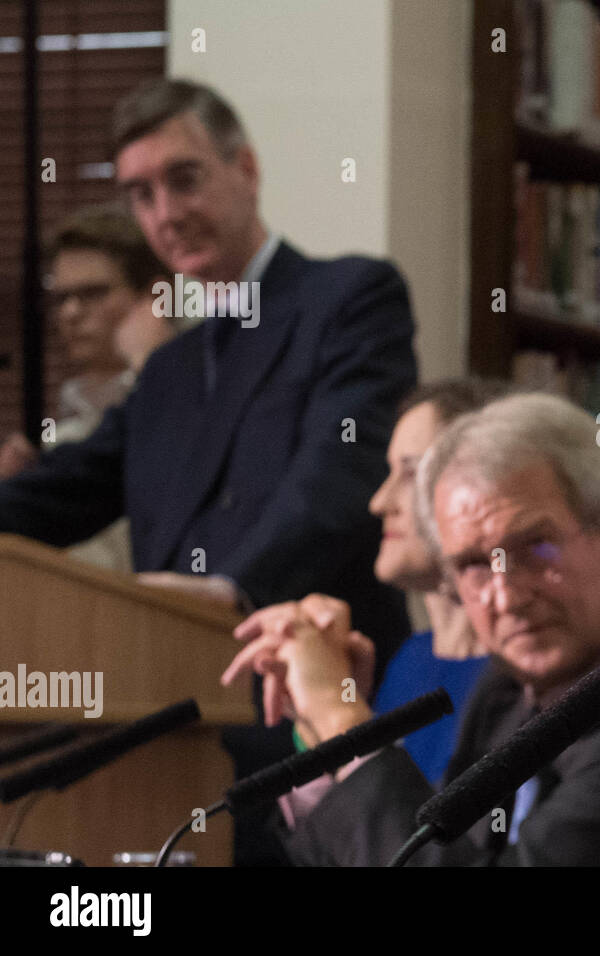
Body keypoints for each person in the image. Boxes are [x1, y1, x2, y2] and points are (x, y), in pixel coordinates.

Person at [0, 79, 417, 864]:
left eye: (184, 179)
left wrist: (232, 590)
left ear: (246, 168)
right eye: (140, 194)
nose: (165, 212)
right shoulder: (167, 372)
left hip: (312, 714)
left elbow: (339, 471)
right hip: (171, 721)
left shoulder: (349, 297)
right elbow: (62, 490)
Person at [225, 392, 600, 866]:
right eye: (472, 565)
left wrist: (341, 719)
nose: (507, 595)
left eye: (535, 549)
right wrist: (319, 730)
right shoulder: (505, 689)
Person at [224, 380, 503, 790]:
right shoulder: (410, 658)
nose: (378, 501)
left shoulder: (524, 672)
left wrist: (335, 710)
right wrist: (313, 714)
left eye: (409, 474)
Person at [0, 206, 173, 573]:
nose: (71, 312)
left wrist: (155, 369)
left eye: (92, 293)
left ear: (155, 297)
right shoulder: (61, 438)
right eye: (61, 298)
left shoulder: (193, 403)